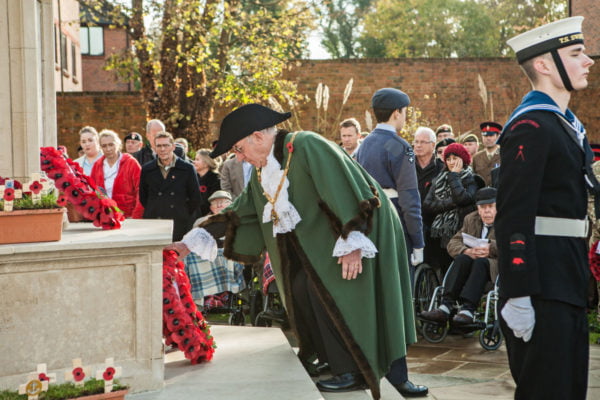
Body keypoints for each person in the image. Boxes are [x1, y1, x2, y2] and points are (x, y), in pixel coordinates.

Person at [166, 104, 416, 399]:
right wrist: (190, 242)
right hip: (330, 239)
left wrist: (353, 243)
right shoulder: (266, 170)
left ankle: (354, 370)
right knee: (299, 288)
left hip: (363, 229)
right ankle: (329, 358)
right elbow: (241, 211)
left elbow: (346, 188)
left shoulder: (306, 145)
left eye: (239, 148)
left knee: (338, 293)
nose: (239, 157)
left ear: (258, 136)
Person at [496, 16, 596, 400]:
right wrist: (519, 293)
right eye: (576, 53)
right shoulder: (532, 127)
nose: (587, 60)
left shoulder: (565, 125)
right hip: (541, 285)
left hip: (566, 277)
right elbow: (513, 215)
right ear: (543, 64)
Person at [355, 88, 427, 398]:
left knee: (372, 302)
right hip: (395, 228)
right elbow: (410, 199)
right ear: (397, 112)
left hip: (369, 230)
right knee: (398, 304)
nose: (405, 116)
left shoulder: (363, 145)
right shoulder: (399, 146)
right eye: (405, 112)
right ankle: (398, 375)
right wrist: (418, 241)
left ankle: (367, 369)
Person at [420, 187, 498, 325]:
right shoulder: (471, 219)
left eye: (491, 207)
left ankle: (468, 310)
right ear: (478, 209)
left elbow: (511, 244)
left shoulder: (505, 222)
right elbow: (453, 243)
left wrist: (490, 248)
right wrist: (466, 251)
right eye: (482, 207)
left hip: (493, 267)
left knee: (481, 262)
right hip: (470, 265)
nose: (487, 211)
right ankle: (445, 307)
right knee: (462, 258)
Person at [423, 143, 479, 273]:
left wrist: (454, 176)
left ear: (463, 159)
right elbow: (428, 204)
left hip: (463, 231)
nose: (452, 162)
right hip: (442, 233)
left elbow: (463, 199)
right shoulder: (439, 179)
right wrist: (452, 202)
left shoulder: (472, 178)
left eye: (455, 158)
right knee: (445, 270)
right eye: (448, 159)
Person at [185, 190, 245, 306]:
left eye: (223, 202)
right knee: (189, 258)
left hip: (227, 253)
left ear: (230, 204)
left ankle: (218, 295)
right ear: (211, 208)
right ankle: (202, 296)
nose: (219, 205)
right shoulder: (201, 221)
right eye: (215, 203)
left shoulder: (237, 221)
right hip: (203, 255)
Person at [139, 131, 202, 241]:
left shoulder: (187, 169)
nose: (162, 149)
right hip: (154, 222)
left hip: (179, 223)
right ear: (154, 148)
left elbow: (195, 198)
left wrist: (182, 213)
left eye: (166, 145)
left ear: (173, 147)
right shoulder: (147, 169)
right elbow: (143, 197)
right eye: (159, 146)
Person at [90, 129, 142, 218]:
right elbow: (92, 192)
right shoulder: (97, 165)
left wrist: (136, 216)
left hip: (128, 216)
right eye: (104, 146)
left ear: (118, 144)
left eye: (111, 145)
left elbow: (141, 191)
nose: (108, 149)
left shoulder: (131, 163)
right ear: (100, 147)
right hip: (104, 216)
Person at [472, 122, 502, 186]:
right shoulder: (476, 158)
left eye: (491, 135)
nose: (488, 138)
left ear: (498, 137)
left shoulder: (504, 154)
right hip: (481, 194)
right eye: (485, 136)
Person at [193, 149, 221, 217]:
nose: (194, 162)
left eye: (197, 159)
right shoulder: (193, 178)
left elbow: (211, 202)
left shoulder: (216, 180)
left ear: (206, 163)